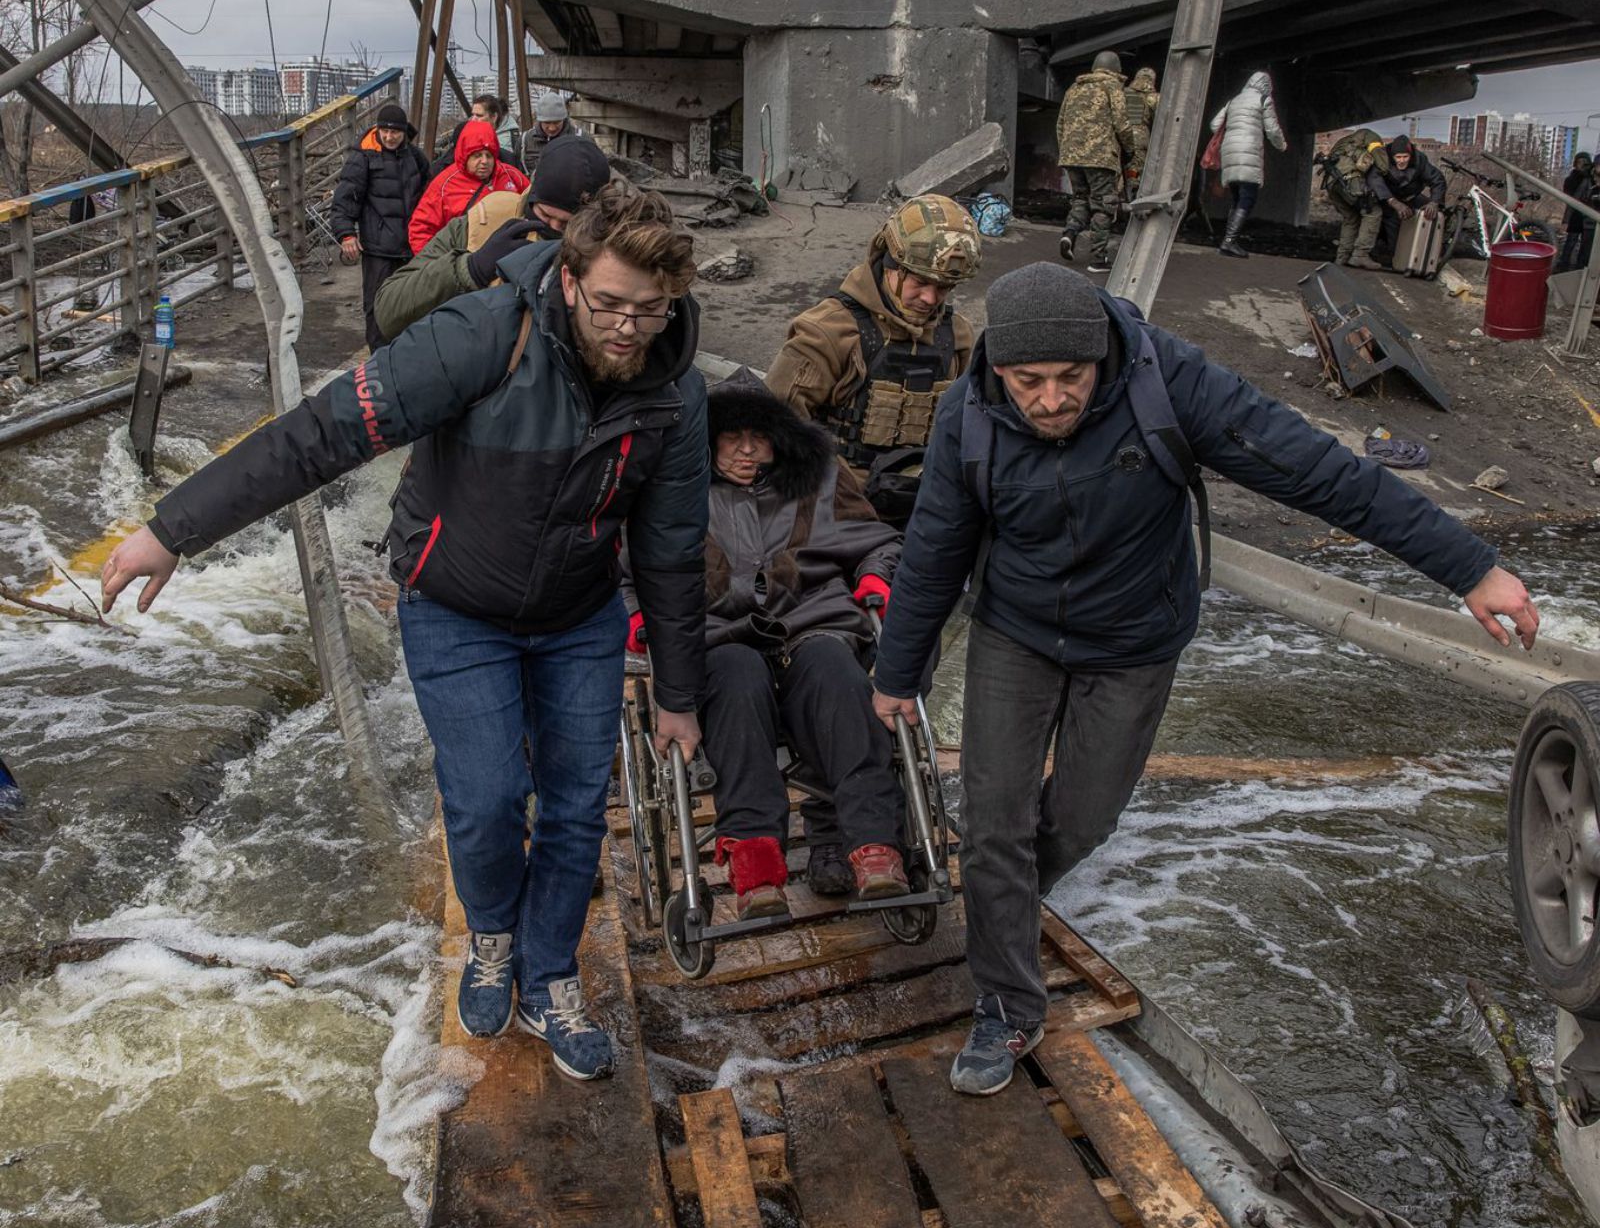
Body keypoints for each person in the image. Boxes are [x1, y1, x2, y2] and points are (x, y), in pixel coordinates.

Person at [870, 262, 1540, 1097]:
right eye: (1027, 382)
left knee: (1082, 820)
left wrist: (1470, 567)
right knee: (994, 818)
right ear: (997, 368)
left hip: (1136, 638)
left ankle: (997, 901)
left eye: (1069, 379)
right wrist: (898, 671)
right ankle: (1007, 1002)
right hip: (1016, 630)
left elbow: (1322, 476)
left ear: (1101, 360)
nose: (1048, 401)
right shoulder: (965, 416)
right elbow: (934, 547)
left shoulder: (1170, 381)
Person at [99, 186, 709, 1083]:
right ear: (568, 277)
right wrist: (174, 527)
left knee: (578, 807)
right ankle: (492, 938)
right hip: (456, 607)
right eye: (609, 304)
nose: (627, 329)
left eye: (649, 311)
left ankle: (548, 977)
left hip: (580, 618)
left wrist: (682, 694)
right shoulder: (480, 336)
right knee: (490, 796)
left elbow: (671, 550)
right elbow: (325, 431)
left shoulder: (676, 393)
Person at [628, 369, 909, 919]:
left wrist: (876, 579)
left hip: (812, 624)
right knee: (735, 678)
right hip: (716, 634)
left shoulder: (822, 479)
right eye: (733, 437)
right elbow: (624, 570)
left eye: (760, 437)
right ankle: (755, 857)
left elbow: (879, 541)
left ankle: (876, 845)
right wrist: (637, 616)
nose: (748, 450)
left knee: (838, 672)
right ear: (708, 440)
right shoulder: (671, 491)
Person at [767, 195, 981, 529]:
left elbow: (974, 427)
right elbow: (776, 425)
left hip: (924, 503)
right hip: (839, 508)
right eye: (920, 282)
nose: (930, 298)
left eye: (944, 287)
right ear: (890, 264)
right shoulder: (829, 331)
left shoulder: (957, 336)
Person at [374, 134, 611, 341]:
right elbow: (389, 310)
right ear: (532, 197)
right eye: (545, 215)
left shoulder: (615, 249)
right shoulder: (481, 223)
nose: (553, 228)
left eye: (568, 225)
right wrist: (470, 268)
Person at [328, 101, 431, 350]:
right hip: (378, 249)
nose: (389, 136)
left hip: (411, 248)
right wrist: (346, 235)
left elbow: (430, 197)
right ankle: (378, 360)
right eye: (384, 131)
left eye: (395, 131)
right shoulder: (363, 158)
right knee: (376, 309)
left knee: (411, 305)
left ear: (404, 132)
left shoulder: (415, 158)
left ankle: (406, 357)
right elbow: (344, 200)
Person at [1055, 51, 1135, 273]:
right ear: (1115, 69)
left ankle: (1069, 235)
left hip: (1071, 156)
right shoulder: (1112, 87)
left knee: (1080, 199)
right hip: (1100, 158)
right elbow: (1122, 123)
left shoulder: (1074, 88)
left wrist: (1067, 151)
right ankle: (1099, 259)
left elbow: (1060, 124)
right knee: (1103, 205)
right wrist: (1129, 150)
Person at [407, 118, 530, 255]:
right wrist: (438, 266)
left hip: (509, 261)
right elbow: (420, 230)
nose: (484, 161)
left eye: (489, 156)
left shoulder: (512, 176)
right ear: (465, 156)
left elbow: (534, 210)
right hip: (463, 265)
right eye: (477, 156)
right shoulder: (444, 184)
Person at [1209, 70, 1286, 259]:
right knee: (1248, 198)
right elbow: (1272, 129)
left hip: (1229, 150)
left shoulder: (1234, 101)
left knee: (1236, 197)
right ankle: (1229, 242)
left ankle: (1228, 240)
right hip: (1249, 150)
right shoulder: (1263, 100)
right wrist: (1282, 145)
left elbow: (1214, 125)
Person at [1354, 133, 1446, 270]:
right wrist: (1394, 202)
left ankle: (1435, 252)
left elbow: (1437, 180)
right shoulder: (1383, 157)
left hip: (1411, 196)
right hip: (1388, 199)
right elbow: (1374, 179)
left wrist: (1434, 202)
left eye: (1405, 157)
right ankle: (1395, 257)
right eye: (1398, 157)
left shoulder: (1420, 160)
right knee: (1393, 228)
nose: (1402, 161)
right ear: (1393, 156)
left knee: (1434, 212)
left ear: (1410, 155)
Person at [1318, 126, 1389, 267]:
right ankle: (1360, 255)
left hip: (1332, 183)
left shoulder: (1344, 141)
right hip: (1350, 181)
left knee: (1351, 217)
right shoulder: (1373, 138)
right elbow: (1383, 167)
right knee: (1373, 212)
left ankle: (1342, 257)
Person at [428, 93, 525, 179]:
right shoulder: (445, 170)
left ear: (494, 117)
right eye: (473, 115)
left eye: (479, 116)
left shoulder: (507, 154)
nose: (473, 119)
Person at [1122, 66, 1160, 195]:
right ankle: (1133, 199)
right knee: (1134, 173)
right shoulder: (1153, 96)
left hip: (1120, 136)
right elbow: (1161, 120)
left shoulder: (1122, 93)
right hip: (1139, 139)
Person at [522, 91, 582, 173]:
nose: (552, 128)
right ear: (539, 120)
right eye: (547, 122)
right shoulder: (525, 141)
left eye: (557, 122)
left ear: (564, 119)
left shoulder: (580, 138)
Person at [1557, 153, 1597, 274]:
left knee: (1586, 245)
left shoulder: (1593, 178)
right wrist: (1565, 221)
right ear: (1575, 164)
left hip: (1589, 215)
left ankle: (1580, 269)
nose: (1582, 165)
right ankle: (1563, 265)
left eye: (1585, 162)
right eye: (1580, 162)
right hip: (1576, 213)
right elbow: (1570, 199)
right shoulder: (1572, 178)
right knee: (1571, 241)